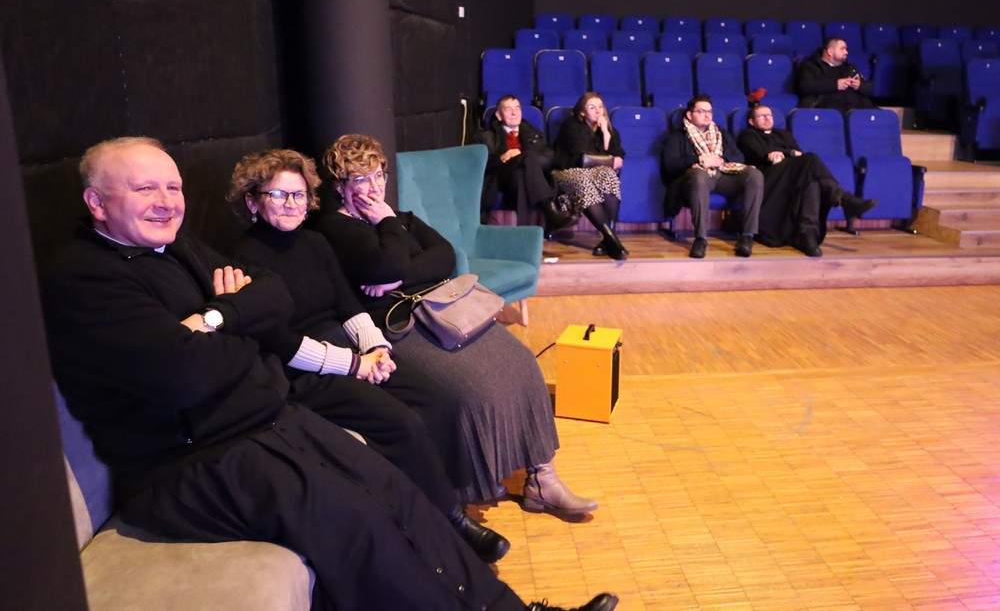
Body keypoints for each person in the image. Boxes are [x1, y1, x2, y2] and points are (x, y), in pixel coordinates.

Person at [41, 136, 618, 611]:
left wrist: (216, 319)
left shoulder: (179, 246)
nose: (166, 201)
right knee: (361, 524)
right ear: (97, 202)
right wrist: (244, 329)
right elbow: (188, 376)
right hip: (189, 465)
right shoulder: (86, 279)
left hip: (263, 420)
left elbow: (273, 301)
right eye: (145, 188)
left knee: (396, 490)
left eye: (173, 187)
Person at [227, 148, 508, 562]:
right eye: (278, 195)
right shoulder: (243, 258)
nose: (291, 204)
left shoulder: (314, 242)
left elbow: (348, 305)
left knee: (437, 399)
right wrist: (355, 364)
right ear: (252, 202)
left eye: (299, 195)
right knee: (401, 422)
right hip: (302, 369)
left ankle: (448, 501)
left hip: (350, 348)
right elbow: (281, 342)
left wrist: (376, 347)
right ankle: (449, 526)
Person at [314, 133, 599, 517]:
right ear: (340, 185)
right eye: (361, 179)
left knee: (521, 363)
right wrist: (391, 242)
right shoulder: (334, 227)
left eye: (378, 175)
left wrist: (396, 263)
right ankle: (476, 483)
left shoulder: (397, 219)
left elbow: (445, 256)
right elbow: (385, 265)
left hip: (443, 310)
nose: (374, 187)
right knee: (471, 389)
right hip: (398, 325)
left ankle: (542, 479)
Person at [736, 103, 879, 256]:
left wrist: (787, 153)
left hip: (791, 176)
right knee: (811, 159)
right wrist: (788, 153)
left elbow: (800, 155)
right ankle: (842, 199)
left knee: (812, 182)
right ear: (752, 121)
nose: (767, 118)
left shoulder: (784, 134)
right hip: (769, 178)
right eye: (761, 116)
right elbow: (762, 153)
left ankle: (808, 235)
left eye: (769, 115)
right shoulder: (747, 135)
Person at [660, 95, 764, 259]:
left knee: (754, 174)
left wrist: (721, 159)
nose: (707, 115)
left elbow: (739, 156)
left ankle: (747, 236)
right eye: (701, 111)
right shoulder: (678, 136)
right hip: (694, 179)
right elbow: (670, 165)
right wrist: (700, 159)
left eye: (709, 112)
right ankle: (701, 238)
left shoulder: (721, 133)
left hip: (724, 175)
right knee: (699, 175)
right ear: (689, 115)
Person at [475, 95, 577, 233]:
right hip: (499, 178)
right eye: (508, 109)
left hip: (523, 178)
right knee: (528, 156)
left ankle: (523, 232)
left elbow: (549, 158)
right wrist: (501, 158)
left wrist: (523, 157)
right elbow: (478, 165)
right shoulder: (487, 136)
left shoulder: (533, 134)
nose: (514, 113)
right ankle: (549, 211)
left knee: (521, 174)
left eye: (517, 108)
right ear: (499, 115)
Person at [552, 92, 628, 260]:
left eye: (600, 107)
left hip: (594, 172)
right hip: (568, 170)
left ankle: (608, 239)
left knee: (608, 176)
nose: (598, 111)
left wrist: (606, 133)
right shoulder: (571, 125)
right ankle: (613, 240)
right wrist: (609, 160)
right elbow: (583, 157)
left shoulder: (608, 129)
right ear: (582, 112)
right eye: (592, 107)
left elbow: (618, 157)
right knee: (583, 180)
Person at [796, 36, 874, 113]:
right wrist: (836, 84)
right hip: (826, 111)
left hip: (855, 110)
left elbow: (870, 88)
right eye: (842, 49)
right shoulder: (811, 66)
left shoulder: (850, 67)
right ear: (830, 51)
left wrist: (859, 86)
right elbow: (805, 86)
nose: (846, 52)